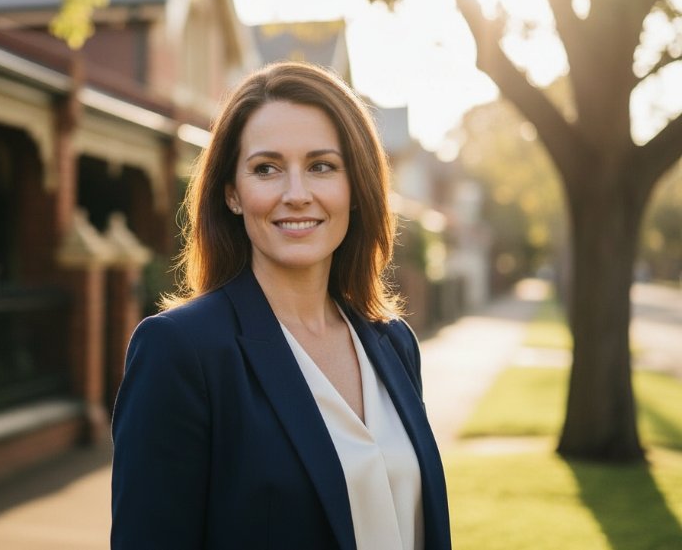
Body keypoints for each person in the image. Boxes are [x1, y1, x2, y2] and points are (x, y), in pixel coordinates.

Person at [110, 61, 451, 550]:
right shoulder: (180, 352)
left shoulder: (392, 342)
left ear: (355, 189)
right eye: (266, 168)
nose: (296, 194)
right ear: (232, 193)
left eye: (321, 166)